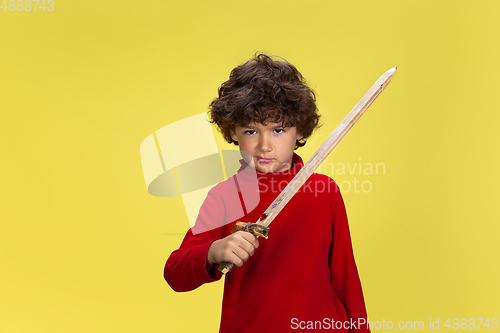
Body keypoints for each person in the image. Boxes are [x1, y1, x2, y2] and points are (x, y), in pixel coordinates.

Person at [164, 53, 370, 332]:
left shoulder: (326, 192)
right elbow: (175, 274)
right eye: (251, 131)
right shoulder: (225, 196)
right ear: (232, 131)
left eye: (278, 129)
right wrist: (213, 251)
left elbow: (347, 280)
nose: (265, 145)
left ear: (299, 130)